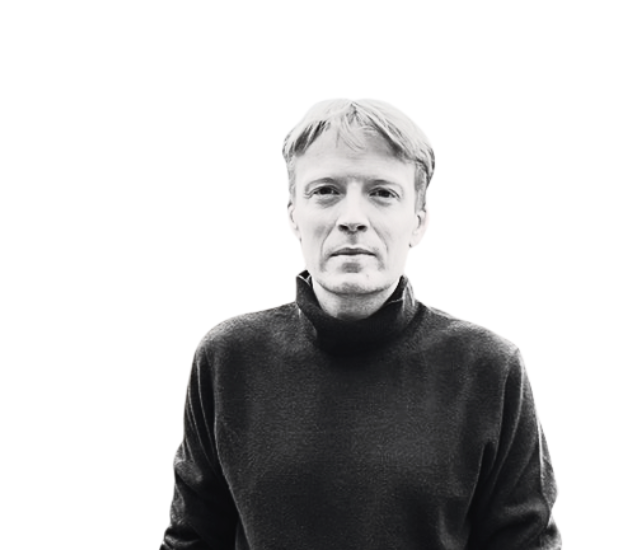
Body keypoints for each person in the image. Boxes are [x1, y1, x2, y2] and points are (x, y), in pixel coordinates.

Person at [160, 99, 560, 549]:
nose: (352, 218)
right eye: (326, 190)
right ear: (294, 215)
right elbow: (192, 540)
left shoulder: (488, 369)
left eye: (382, 193)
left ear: (418, 221)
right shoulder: (229, 359)